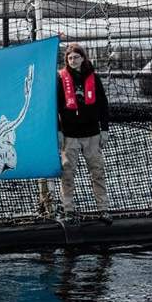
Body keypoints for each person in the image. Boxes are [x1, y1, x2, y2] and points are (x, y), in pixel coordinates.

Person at [57, 43, 112, 226]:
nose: (73, 61)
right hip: (70, 135)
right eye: (70, 58)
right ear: (67, 60)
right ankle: (68, 210)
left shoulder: (93, 78)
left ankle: (103, 208)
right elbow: (54, 107)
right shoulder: (61, 79)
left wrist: (104, 129)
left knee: (97, 172)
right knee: (68, 173)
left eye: (76, 57)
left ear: (83, 58)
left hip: (91, 134)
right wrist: (58, 131)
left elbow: (103, 105)